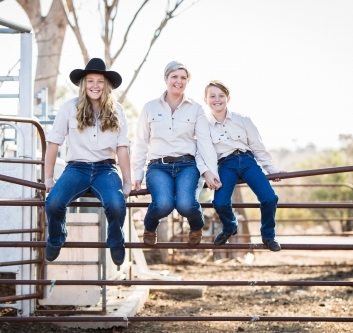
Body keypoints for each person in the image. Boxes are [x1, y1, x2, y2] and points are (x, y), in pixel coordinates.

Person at [44, 58, 131, 266]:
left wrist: (127, 181)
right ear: (84, 84)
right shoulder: (69, 108)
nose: (95, 85)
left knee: (117, 204)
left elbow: (122, 148)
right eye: (90, 81)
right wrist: (47, 178)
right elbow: (54, 143)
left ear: (106, 85)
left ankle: (116, 240)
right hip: (77, 168)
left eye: (100, 81)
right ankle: (57, 237)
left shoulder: (117, 110)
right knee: (54, 203)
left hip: (106, 169)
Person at [132, 61, 222, 247]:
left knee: (186, 205)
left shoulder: (196, 108)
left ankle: (196, 226)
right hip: (158, 166)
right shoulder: (150, 107)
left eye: (183, 78)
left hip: (187, 165)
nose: (178, 81)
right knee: (163, 204)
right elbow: (140, 142)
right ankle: (149, 227)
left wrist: (211, 171)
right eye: (174, 76)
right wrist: (137, 174)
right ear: (166, 79)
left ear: (187, 81)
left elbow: (204, 142)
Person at [204, 80, 285, 251]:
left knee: (270, 198)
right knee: (219, 202)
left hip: (248, 161)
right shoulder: (203, 127)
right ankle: (230, 226)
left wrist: (270, 168)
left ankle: (268, 235)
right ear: (206, 100)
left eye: (221, 95)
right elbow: (205, 153)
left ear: (228, 98)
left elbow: (257, 146)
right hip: (225, 164)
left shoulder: (243, 120)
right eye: (212, 96)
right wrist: (209, 173)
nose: (217, 99)